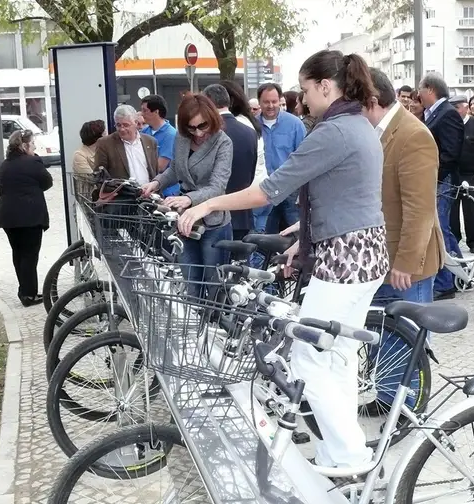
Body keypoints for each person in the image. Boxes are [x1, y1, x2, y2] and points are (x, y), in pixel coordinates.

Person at [176, 50, 388, 472]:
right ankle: (342, 452)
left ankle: (349, 455)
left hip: (345, 258)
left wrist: (205, 205)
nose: (303, 101)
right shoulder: (356, 124)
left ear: (325, 86)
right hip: (361, 252)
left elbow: (268, 190)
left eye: (306, 90)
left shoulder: (335, 131)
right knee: (337, 356)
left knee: (310, 356)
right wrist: (302, 242)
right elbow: (345, 197)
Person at [364, 67, 443, 304]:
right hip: (380, 262)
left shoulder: (413, 135)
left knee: (406, 340)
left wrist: (406, 263)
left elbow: (420, 209)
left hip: (404, 271)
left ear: (372, 101)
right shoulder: (377, 131)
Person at [142, 94, 233, 296]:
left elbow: (218, 186)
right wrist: (156, 183)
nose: (198, 133)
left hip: (213, 223)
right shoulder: (182, 138)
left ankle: (215, 324)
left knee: (214, 286)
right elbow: (176, 169)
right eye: (192, 128)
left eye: (203, 126)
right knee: (191, 283)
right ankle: (197, 323)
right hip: (184, 221)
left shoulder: (223, 143)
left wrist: (190, 198)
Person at [418, 71, 464, 300]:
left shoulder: (447, 114)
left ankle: (447, 283)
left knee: (440, 229)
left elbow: (450, 152)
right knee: (442, 229)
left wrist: (433, 176)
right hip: (437, 180)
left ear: (430, 89)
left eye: (420, 90)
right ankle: (459, 274)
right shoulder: (433, 113)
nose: (418, 95)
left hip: (442, 182)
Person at [0, 130, 53, 307]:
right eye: (33, 143)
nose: (35, 147)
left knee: (18, 254)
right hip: (30, 216)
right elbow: (47, 182)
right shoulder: (33, 162)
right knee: (30, 255)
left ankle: (24, 290)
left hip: (9, 216)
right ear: (24, 146)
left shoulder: (4, 165)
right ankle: (29, 294)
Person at [202, 84, 259, 241]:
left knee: (217, 265)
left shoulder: (208, 133)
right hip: (243, 212)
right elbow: (252, 170)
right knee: (241, 264)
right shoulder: (250, 132)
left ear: (208, 102)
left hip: (214, 215)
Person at [253, 82, 307, 234]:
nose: (270, 105)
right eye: (266, 102)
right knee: (261, 235)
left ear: (280, 100)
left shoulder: (295, 125)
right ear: (259, 102)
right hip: (263, 189)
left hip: (290, 189)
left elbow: (304, 159)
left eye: (274, 101)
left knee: (296, 232)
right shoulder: (252, 125)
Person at [448, 94, 474, 254]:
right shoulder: (450, 124)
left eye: (456, 108)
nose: (454, 111)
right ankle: (454, 240)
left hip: (471, 173)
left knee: (471, 209)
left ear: (466, 108)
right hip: (453, 173)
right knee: (452, 209)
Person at [94, 104, 159, 182]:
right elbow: (99, 176)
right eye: (118, 125)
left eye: (126, 125)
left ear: (136, 123)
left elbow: (155, 172)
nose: (122, 129)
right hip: (121, 193)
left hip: (147, 192)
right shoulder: (105, 144)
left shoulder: (150, 142)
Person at [140, 94, 180, 196]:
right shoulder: (144, 132)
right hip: (147, 189)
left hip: (166, 191)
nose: (142, 114)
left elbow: (161, 166)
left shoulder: (171, 134)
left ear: (156, 112)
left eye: (145, 110)